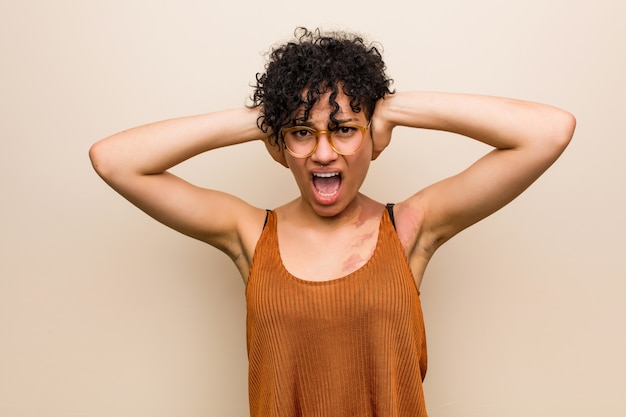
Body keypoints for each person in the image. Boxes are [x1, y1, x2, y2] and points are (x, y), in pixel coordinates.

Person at [89, 27, 575, 417]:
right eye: (302, 132)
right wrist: (262, 119)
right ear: (280, 145)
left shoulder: (410, 228)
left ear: (372, 138)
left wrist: (395, 108)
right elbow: (114, 160)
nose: (324, 152)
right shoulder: (250, 234)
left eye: (344, 129)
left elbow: (548, 132)